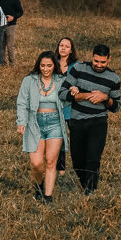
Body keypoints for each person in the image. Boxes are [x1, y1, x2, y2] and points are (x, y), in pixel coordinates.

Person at [58, 44, 121, 195]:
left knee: (92, 159)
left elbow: (116, 107)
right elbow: (62, 93)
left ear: (109, 60)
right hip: (77, 121)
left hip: (98, 122)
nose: (99, 65)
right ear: (92, 57)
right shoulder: (79, 69)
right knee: (78, 161)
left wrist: (105, 98)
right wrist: (82, 96)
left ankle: (90, 192)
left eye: (103, 62)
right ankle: (86, 186)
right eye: (96, 61)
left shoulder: (114, 78)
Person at [16, 51, 69, 203]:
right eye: (43, 66)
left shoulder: (61, 81)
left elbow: (67, 102)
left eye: (49, 66)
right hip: (35, 123)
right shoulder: (29, 80)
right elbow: (22, 102)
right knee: (37, 163)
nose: (46, 69)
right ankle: (39, 184)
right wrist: (21, 121)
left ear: (55, 66)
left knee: (51, 161)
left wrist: (73, 92)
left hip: (55, 123)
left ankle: (48, 196)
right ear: (38, 66)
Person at [54, 36, 78, 172]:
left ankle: (78, 166)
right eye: (61, 45)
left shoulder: (76, 66)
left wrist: (76, 88)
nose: (63, 48)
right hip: (56, 106)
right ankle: (60, 168)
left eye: (66, 46)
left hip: (71, 107)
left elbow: (79, 83)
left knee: (74, 137)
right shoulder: (52, 62)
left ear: (71, 50)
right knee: (59, 137)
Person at [0, 0, 24, 65]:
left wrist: (13, 17)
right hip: (1, 25)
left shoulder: (15, 0)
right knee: (1, 45)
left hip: (11, 25)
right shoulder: (0, 0)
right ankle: (2, 62)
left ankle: (12, 63)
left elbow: (20, 12)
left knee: (10, 45)